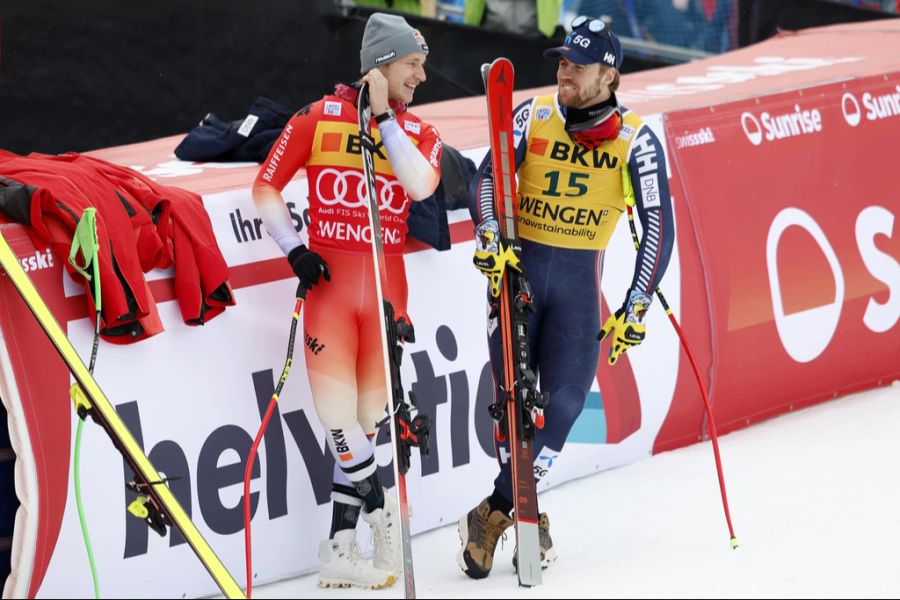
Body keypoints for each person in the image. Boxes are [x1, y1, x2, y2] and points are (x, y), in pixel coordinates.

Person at [458, 15, 673, 579]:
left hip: (579, 289)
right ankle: (521, 505)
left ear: (610, 74)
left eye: (577, 65)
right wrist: (489, 236)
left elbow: (657, 228)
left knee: (568, 404)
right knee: (513, 402)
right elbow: (486, 178)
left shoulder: (636, 138)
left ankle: (499, 508)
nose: (564, 72)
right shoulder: (536, 113)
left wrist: (637, 305)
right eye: (560, 61)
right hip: (518, 277)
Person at [252, 12, 442, 589]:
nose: (423, 76)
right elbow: (264, 186)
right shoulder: (316, 117)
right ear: (380, 63)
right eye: (413, 64)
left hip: (386, 299)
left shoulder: (420, 133)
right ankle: (383, 515)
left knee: (364, 423)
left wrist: (384, 116)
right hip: (332, 296)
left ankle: (337, 549)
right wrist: (293, 249)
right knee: (339, 423)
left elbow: (419, 186)